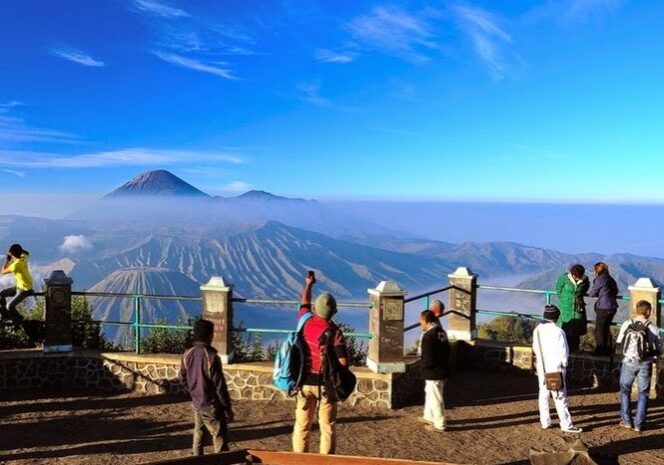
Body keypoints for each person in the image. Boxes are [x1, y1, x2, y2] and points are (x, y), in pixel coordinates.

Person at [292, 272, 349, 455]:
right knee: (327, 427)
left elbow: (304, 302)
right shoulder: (335, 332)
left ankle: (300, 460)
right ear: (333, 312)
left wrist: (309, 284)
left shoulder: (305, 321)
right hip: (325, 385)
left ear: (316, 308)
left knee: (302, 426)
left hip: (303, 383)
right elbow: (343, 362)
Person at [180, 319, 234, 456]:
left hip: (197, 401)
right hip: (211, 404)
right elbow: (220, 387)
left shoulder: (187, 354)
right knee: (219, 436)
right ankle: (221, 460)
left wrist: (193, 390)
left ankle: (196, 459)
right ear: (210, 335)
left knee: (198, 433)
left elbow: (182, 377)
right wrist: (227, 408)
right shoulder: (212, 357)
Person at [532, 305, 582, 433]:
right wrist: (564, 364)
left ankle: (545, 421)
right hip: (556, 367)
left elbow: (535, 348)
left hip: (542, 367)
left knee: (543, 394)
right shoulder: (558, 331)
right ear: (557, 317)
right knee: (560, 396)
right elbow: (564, 351)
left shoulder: (537, 329)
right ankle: (566, 424)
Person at [616, 300, 661, 433]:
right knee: (643, 393)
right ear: (648, 312)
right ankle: (638, 424)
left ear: (636, 310)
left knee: (625, 390)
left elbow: (619, 343)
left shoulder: (626, 324)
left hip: (628, 361)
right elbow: (658, 349)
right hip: (645, 362)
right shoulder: (653, 328)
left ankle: (626, 421)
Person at [419, 309, 450, 433]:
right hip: (442, 369)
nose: (420, 323)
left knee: (435, 397)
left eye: (421, 321)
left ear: (425, 320)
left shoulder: (428, 336)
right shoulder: (442, 332)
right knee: (431, 394)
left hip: (433, 371)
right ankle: (429, 416)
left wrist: (423, 367)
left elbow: (428, 357)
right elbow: (447, 350)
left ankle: (439, 424)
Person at [555, 264, 590, 352]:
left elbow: (585, 289)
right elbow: (558, 289)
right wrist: (565, 299)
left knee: (576, 330)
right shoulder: (565, 278)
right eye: (576, 276)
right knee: (565, 328)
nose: (577, 278)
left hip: (577, 308)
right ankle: (564, 349)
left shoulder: (585, 280)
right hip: (565, 307)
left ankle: (574, 349)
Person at [0, 243, 34, 330]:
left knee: (9, 306)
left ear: (12, 254)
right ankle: (5, 316)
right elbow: (27, 252)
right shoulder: (24, 257)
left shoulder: (15, 265)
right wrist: (15, 251)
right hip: (22, 285)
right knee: (2, 294)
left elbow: (3, 271)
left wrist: (8, 259)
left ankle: (18, 320)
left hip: (24, 289)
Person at [589, 262, 619, 356]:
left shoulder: (600, 279)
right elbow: (616, 291)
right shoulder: (611, 279)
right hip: (612, 306)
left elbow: (593, 293)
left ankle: (600, 351)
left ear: (597, 270)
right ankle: (608, 350)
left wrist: (595, 294)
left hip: (603, 307)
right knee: (606, 328)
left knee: (600, 329)